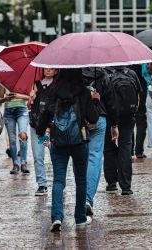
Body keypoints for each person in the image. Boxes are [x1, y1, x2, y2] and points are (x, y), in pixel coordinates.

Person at [36, 69, 100, 232]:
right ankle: (79, 218)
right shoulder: (84, 92)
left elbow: (43, 119)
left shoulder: (54, 91)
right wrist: (96, 101)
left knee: (58, 181)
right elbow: (93, 118)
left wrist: (43, 136)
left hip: (58, 142)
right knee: (81, 180)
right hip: (79, 141)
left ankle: (57, 217)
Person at [82, 67, 118, 215]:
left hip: (79, 119)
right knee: (94, 158)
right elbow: (111, 102)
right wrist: (114, 124)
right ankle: (88, 198)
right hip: (99, 117)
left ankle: (82, 197)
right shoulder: (102, 74)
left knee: (80, 159)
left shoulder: (73, 71)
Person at [103, 66, 143, 195]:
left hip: (109, 115)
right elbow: (138, 97)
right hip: (128, 116)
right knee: (125, 147)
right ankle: (126, 186)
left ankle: (111, 183)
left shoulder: (104, 74)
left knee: (109, 148)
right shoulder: (131, 73)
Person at [29, 68, 58, 196]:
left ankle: (59, 182)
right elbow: (31, 106)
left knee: (55, 155)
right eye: (46, 68)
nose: (48, 70)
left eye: (51, 68)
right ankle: (42, 184)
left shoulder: (58, 85)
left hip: (50, 128)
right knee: (38, 156)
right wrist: (30, 100)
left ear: (56, 71)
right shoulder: (36, 84)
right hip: (37, 126)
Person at [0, 86, 30, 175]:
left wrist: (17, 96)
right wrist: (6, 98)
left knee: (23, 135)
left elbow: (30, 97)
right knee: (12, 140)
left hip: (22, 111)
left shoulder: (24, 82)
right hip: (8, 113)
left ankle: (23, 163)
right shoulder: (4, 82)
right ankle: (15, 164)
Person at [129, 64, 147, 158]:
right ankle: (139, 151)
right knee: (141, 125)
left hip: (128, 100)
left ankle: (130, 150)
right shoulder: (141, 67)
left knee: (129, 124)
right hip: (141, 100)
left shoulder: (126, 70)